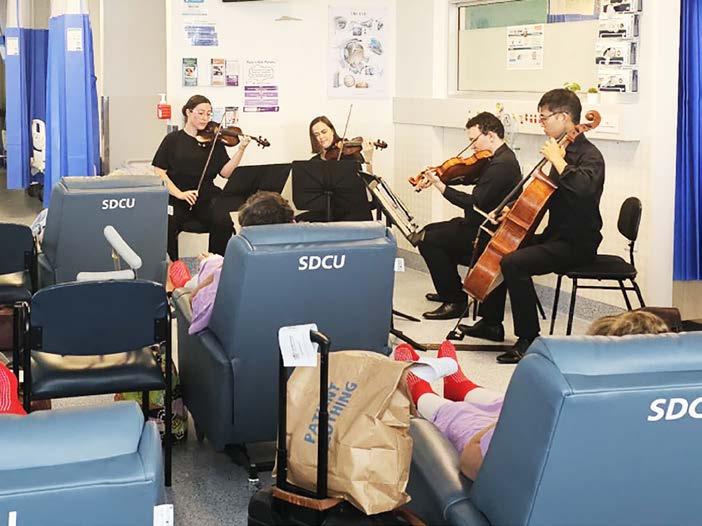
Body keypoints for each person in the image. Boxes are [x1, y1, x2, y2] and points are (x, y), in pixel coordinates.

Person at [395, 310, 669, 481]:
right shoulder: (673, 416)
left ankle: (418, 388)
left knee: (466, 416)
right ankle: (462, 386)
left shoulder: (567, 414)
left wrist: (509, 422)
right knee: (505, 402)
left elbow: (471, 464)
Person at [461, 89, 606, 364]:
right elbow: (546, 196)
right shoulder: (561, 150)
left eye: (544, 118)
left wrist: (558, 161)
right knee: (499, 242)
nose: (541, 123)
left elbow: (584, 190)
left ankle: (528, 338)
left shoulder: (590, 155)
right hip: (556, 236)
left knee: (514, 263)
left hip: (577, 243)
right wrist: (514, 211)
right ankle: (491, 323)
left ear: (564, 117)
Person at [416, 112, 522, 320]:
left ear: (490, 135)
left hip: (485, 232)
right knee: (428, 231)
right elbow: (469, 176)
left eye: (474, 140)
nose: (472, 146)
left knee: (427, 240)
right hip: (474, 224)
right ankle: (451, 291)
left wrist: (440, 186)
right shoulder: (495, 158)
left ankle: (455, 300)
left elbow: (473, 202)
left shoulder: (503, 164)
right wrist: (441, 176)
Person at [152, 94, 251, 262]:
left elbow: (225, 173)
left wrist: (241, 150)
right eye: (201, 113)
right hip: (177, 196)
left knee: (223, 220)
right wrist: (179, 194)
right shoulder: (173, 140)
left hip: (206, 196)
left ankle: (215, 263)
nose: (205, 118)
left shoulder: (214, 141)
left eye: (209, 114)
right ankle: (174, 267)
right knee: (167, 222)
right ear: (188, 112)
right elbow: (159, 171)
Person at [188, 191, 295, 334]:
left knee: (190, 283)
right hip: (293, 335)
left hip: (235, 338)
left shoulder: (239, 265)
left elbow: (194, 299)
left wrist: (211, 264)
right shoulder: (307, 258)